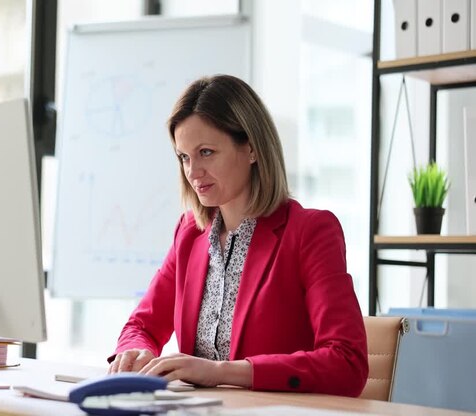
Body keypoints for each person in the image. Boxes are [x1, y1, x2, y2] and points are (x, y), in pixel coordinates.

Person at [107, 74, 368, 397]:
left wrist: (221, 372)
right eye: (184, 157)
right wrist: (137, 351)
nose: (192, 172)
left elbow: (347, 364)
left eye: (206, 152)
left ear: (252, 149)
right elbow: (141, 326)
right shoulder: (189, 235)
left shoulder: (310, 232)